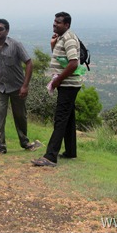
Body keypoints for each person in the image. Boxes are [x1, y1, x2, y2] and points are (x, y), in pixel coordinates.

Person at [0, 18, 41, 154]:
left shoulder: (16, 45)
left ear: (7, 31)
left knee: (20, 116)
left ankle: (25, 142)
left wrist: (25, 86)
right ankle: (1, 146)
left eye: (1, 29)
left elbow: (29, 63)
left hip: (17, 87)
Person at [31, 12, 82, 167]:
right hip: (68, 85)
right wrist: (53, 45)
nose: (54, 25)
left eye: (58, 23)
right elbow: (62, 58)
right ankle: (70, 152)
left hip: (68, 85)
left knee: (60, 119)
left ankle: (50, 156)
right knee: (68, 118)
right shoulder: (62, 38)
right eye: (54, 22)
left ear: (66, 25)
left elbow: (73, 63)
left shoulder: (68, 38)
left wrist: (57, 81)